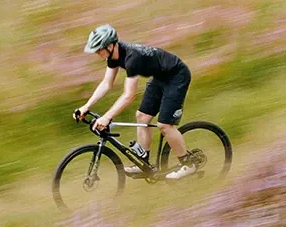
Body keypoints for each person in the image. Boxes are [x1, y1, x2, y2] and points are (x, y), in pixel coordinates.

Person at [72, 24, 202, 179]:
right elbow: (106, 83)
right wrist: (86, 107)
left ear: (111, 45)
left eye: (99, 48)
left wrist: (107, 117)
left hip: (176, 76)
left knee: (165, 125)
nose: (97, 52)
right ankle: (143, 162)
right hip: (160, 78)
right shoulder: (113, 56)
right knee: (142, 117)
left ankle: (188, 164)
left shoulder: (132, 58)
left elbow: (129, 95)